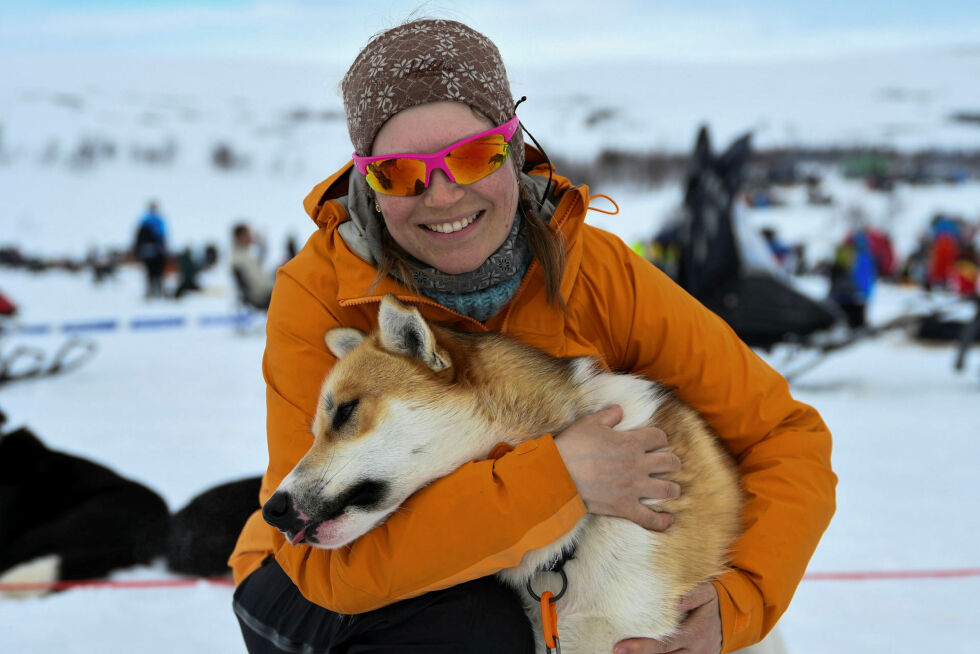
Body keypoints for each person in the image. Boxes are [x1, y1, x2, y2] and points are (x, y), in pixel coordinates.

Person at [229, 19, 836, 654]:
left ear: (513, 153)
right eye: (400, 173)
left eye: (472, 156)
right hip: (306, 578)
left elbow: (782, 436)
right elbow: (322, 566)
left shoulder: (596, 272)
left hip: (519, 565)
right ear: (369, 185)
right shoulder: (322, 292)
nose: (442, 193)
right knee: (472, 631)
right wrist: (559, 476)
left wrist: (738, 605)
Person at [230, 223, 276, 310]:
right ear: (240, 237)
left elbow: (259, 270)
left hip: (264, 292)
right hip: (262, 296)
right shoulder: (239, 258)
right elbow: (259, 283)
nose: (251, 237)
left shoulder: (244, 255)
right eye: (247, 234)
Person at [133, 200, 169, 298]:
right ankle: (154, 293)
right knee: (154, 273)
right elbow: (162, 237)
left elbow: (138, 238)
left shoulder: (151, 221)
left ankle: (155, 292)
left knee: (155, 273)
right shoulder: (154, 221)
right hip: (154, 252)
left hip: (152, 252)